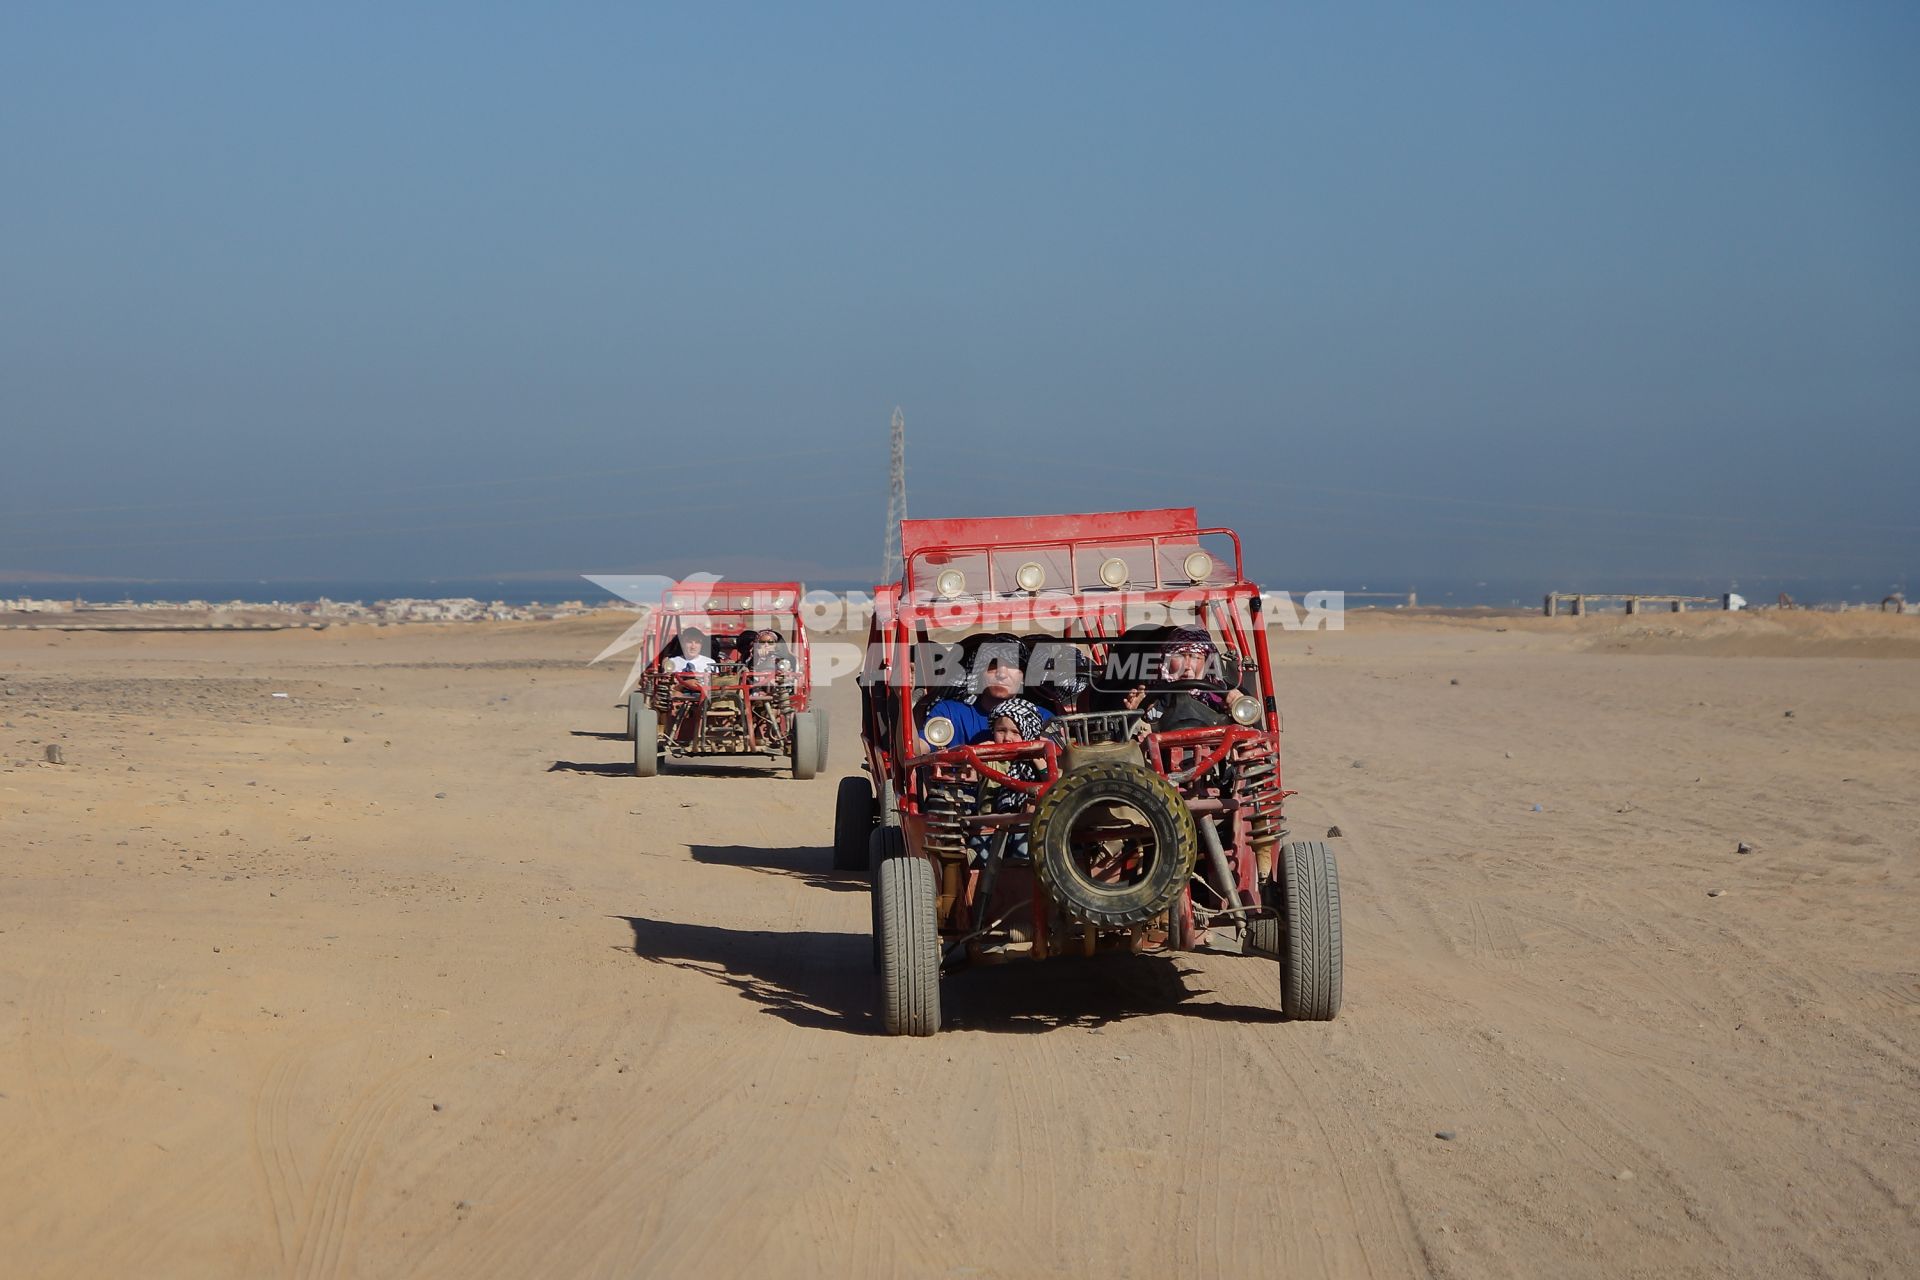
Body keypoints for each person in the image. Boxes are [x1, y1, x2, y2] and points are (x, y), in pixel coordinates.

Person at [917, 634, 1052, 749]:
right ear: (978, 672)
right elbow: (915, 751)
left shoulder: (1043, 719)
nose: (1002, 674)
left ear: (1023, 676)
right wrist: (901, 700)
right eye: (993, 665)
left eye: (1012, 665)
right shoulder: (949, 713)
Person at [1123, 626, 1233, 731]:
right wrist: (1136, 714)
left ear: (1206, 661)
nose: (1187, 666)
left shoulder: (1219, 698)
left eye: (1195, 657)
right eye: (1179, 656)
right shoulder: (1150, 698)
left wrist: (1235, 706)